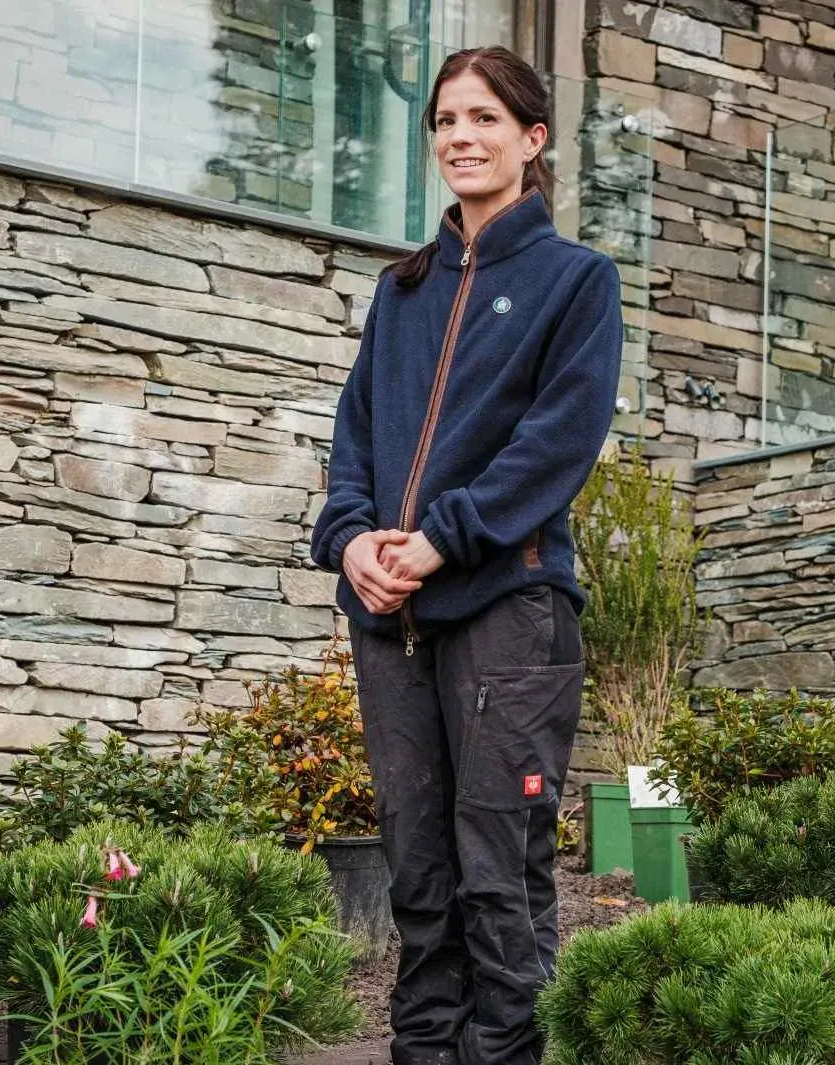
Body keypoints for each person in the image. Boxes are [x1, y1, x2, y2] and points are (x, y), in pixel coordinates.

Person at [309, 44, 623, 1065]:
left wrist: (440, 540)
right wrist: (352, 540)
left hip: (508, 611)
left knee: (499, 869)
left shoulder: (576, 282)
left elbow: (558, 444)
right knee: (417, 871)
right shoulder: (401, 292)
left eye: (485, 118)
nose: (461, 138)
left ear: (533, 140)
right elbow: (352, 440)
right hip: (390, 619)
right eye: (447, 120)